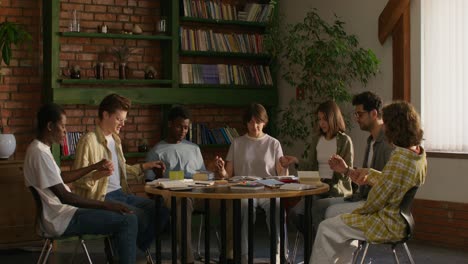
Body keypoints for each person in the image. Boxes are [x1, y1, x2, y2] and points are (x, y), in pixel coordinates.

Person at [311, 101, 427, 263]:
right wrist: (368, 174)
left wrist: (353, 213)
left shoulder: (399, 158)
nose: (384, 128)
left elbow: (376, 201)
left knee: (326, 227)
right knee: (337, 225)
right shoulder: (417, 154)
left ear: (395, 127)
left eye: (386, 123)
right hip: (400, 219)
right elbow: (394, 182)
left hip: (386, 222)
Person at [24, 103, 138, 264]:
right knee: (127, 220)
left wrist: (94, 166)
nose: (65, 131)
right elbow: (65, 197)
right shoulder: (39, 153)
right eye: (62, 126)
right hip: (61, 219)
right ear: (50, 126)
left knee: (122, 216)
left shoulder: (40, 149)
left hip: (62, 215)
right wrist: (107, 205)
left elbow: (61, 178)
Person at [72, 94, 169, 260]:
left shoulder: (115, 140)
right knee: (139, 216)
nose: (123, 124)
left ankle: (130, 248)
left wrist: (146, 166)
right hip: (102, 197)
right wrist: (97, 175)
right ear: (105, 115)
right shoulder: (88, 141)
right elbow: (79, 180)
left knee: (162, 210)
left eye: (124, 120)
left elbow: (122, 168)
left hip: (121, 193)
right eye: (119, 119)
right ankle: (123, 250)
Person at [145, 106, 227, 263]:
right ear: (169, 124)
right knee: (183, 202)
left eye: (186, 128)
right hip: (175, 197)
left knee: (230, 202)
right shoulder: (156, 151)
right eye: (179, 126)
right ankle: (187, 259)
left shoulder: (194, 148)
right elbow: (149, 189)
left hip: (199, 195)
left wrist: (212, 170)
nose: (183, 131)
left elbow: (201, 177)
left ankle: (230, 254)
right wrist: (159, 177)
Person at [215, 103, 289, 263]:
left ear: (264, 122)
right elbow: (228, 175)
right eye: (250, 122)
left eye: (258, 122)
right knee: (243, 206)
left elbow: (281, 174)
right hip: (245, 190)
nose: (254, 126)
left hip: (268, 189)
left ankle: (279, 254)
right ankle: (244, 255)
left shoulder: (273, 143)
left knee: (277, 207)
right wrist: (221, 171)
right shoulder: (237, 143)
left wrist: (284, 166)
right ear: (246, 123)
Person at [318, 92, 395, 222]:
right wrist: (345, 170)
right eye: (356, 114)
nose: (356, 118)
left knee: (327, 211)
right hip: (363, 197)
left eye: (360, 114)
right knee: (318, 206)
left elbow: (388, 182)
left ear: (374, 114)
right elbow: (365, 178)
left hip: (377, 205)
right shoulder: (371, 140)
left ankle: (340, 239)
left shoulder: (389, 143)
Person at [280, 100, 353, 234]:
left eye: (325, 119)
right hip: (317, 188)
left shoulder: (344, 141)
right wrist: (296, 160)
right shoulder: (317, 139)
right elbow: (311, 166)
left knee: (315, 209)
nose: (322, 123)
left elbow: (347, 173)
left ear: (333, 118)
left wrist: (338, 168)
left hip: (334, 191)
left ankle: (317, 245)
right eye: (319, 119)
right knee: (294, 214)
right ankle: (315, 242)